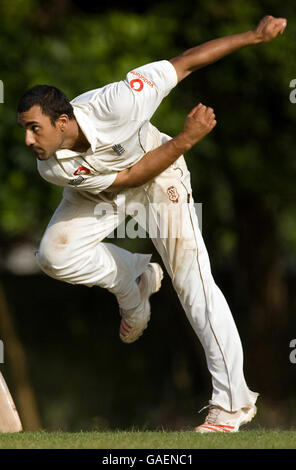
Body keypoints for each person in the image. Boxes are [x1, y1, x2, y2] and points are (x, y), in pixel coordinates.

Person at [17, 15, 286, 433]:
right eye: (25, 131)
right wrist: (187, 138)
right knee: (54, 255)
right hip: (112, 185)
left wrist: (253, 36)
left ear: (63, 122)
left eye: (35, 129)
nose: (29, 141)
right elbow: (125, 180)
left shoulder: (120, 101)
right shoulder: (51, 167)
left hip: (161, 176)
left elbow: (186, 62)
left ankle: (232, 404)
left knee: (193, 282)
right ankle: (135, 280)